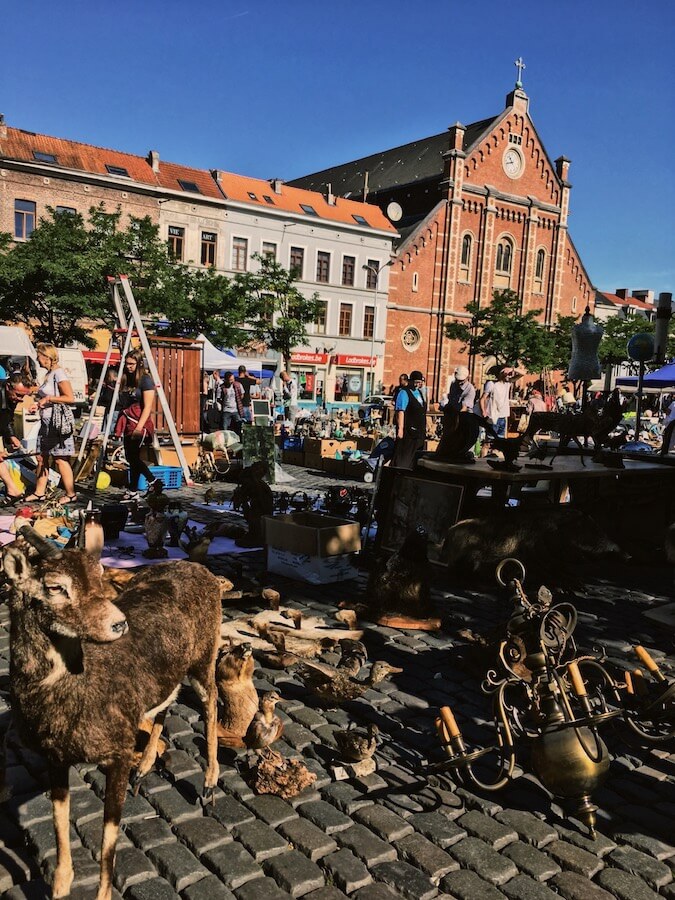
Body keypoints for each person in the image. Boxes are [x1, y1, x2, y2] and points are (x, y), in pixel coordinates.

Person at [25, 343, 77, 504]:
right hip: (47, 423)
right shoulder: (50, 374)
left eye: (39, 356)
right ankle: (39, 491)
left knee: (60, 459)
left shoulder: (59, 373)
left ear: (46, 357)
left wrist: (47, 399)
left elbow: (69, 397)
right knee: (42, 457)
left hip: (57, 425)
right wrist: (39, 404)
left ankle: (70, 494)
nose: (37, 360)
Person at [117, 349, 157, 501]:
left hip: (139, 422)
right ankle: (133, 490)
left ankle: (153, 481)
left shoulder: (145, 380)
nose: (129, 366)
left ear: (139, 363)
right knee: (130, 457)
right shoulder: (127, 379)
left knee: (133, 457)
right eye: (126, 364)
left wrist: (140, 427)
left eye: (132, 364)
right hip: (128, 421)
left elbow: (147, 406)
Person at [391, 369, 427, 469]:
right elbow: (400, 411)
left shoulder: (419, 393)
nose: (417, 385)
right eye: (415, 382)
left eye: (419, 382)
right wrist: (400, 429)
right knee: (405, 454)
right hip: (409, 430)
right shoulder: (404, 392)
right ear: (411, 381)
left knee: (416, 456)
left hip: (419, 431)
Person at [0, 373, 26, 504]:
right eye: (18, 395)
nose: (21, 399)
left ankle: (12, 490)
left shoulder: (11, 397)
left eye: (23, 396)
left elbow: (6, 419)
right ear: (9, 387)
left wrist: (11, 435)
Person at [480, 365, 513, 456]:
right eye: (504, 373)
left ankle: (496, 463)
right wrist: (484, 411)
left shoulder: (507, 384)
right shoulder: (492, 384)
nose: (507, 375)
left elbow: (523, 373)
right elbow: (483, 398)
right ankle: (481, 462)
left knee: (499, 445)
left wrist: (512, 369)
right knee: (488, 443)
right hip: (493, 417)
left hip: (503, 417)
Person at [221, 370, 244, 435]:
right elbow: (219, 399)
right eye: (230, 380)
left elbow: (242, 395)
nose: (232, 381)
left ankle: (239, 438)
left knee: (239, 425)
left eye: (233, 379)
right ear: (226, 379)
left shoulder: (237, 385)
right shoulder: (222, 387)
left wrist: (238, 399)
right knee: (225, 427)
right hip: (226, 409)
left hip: (235, 409)